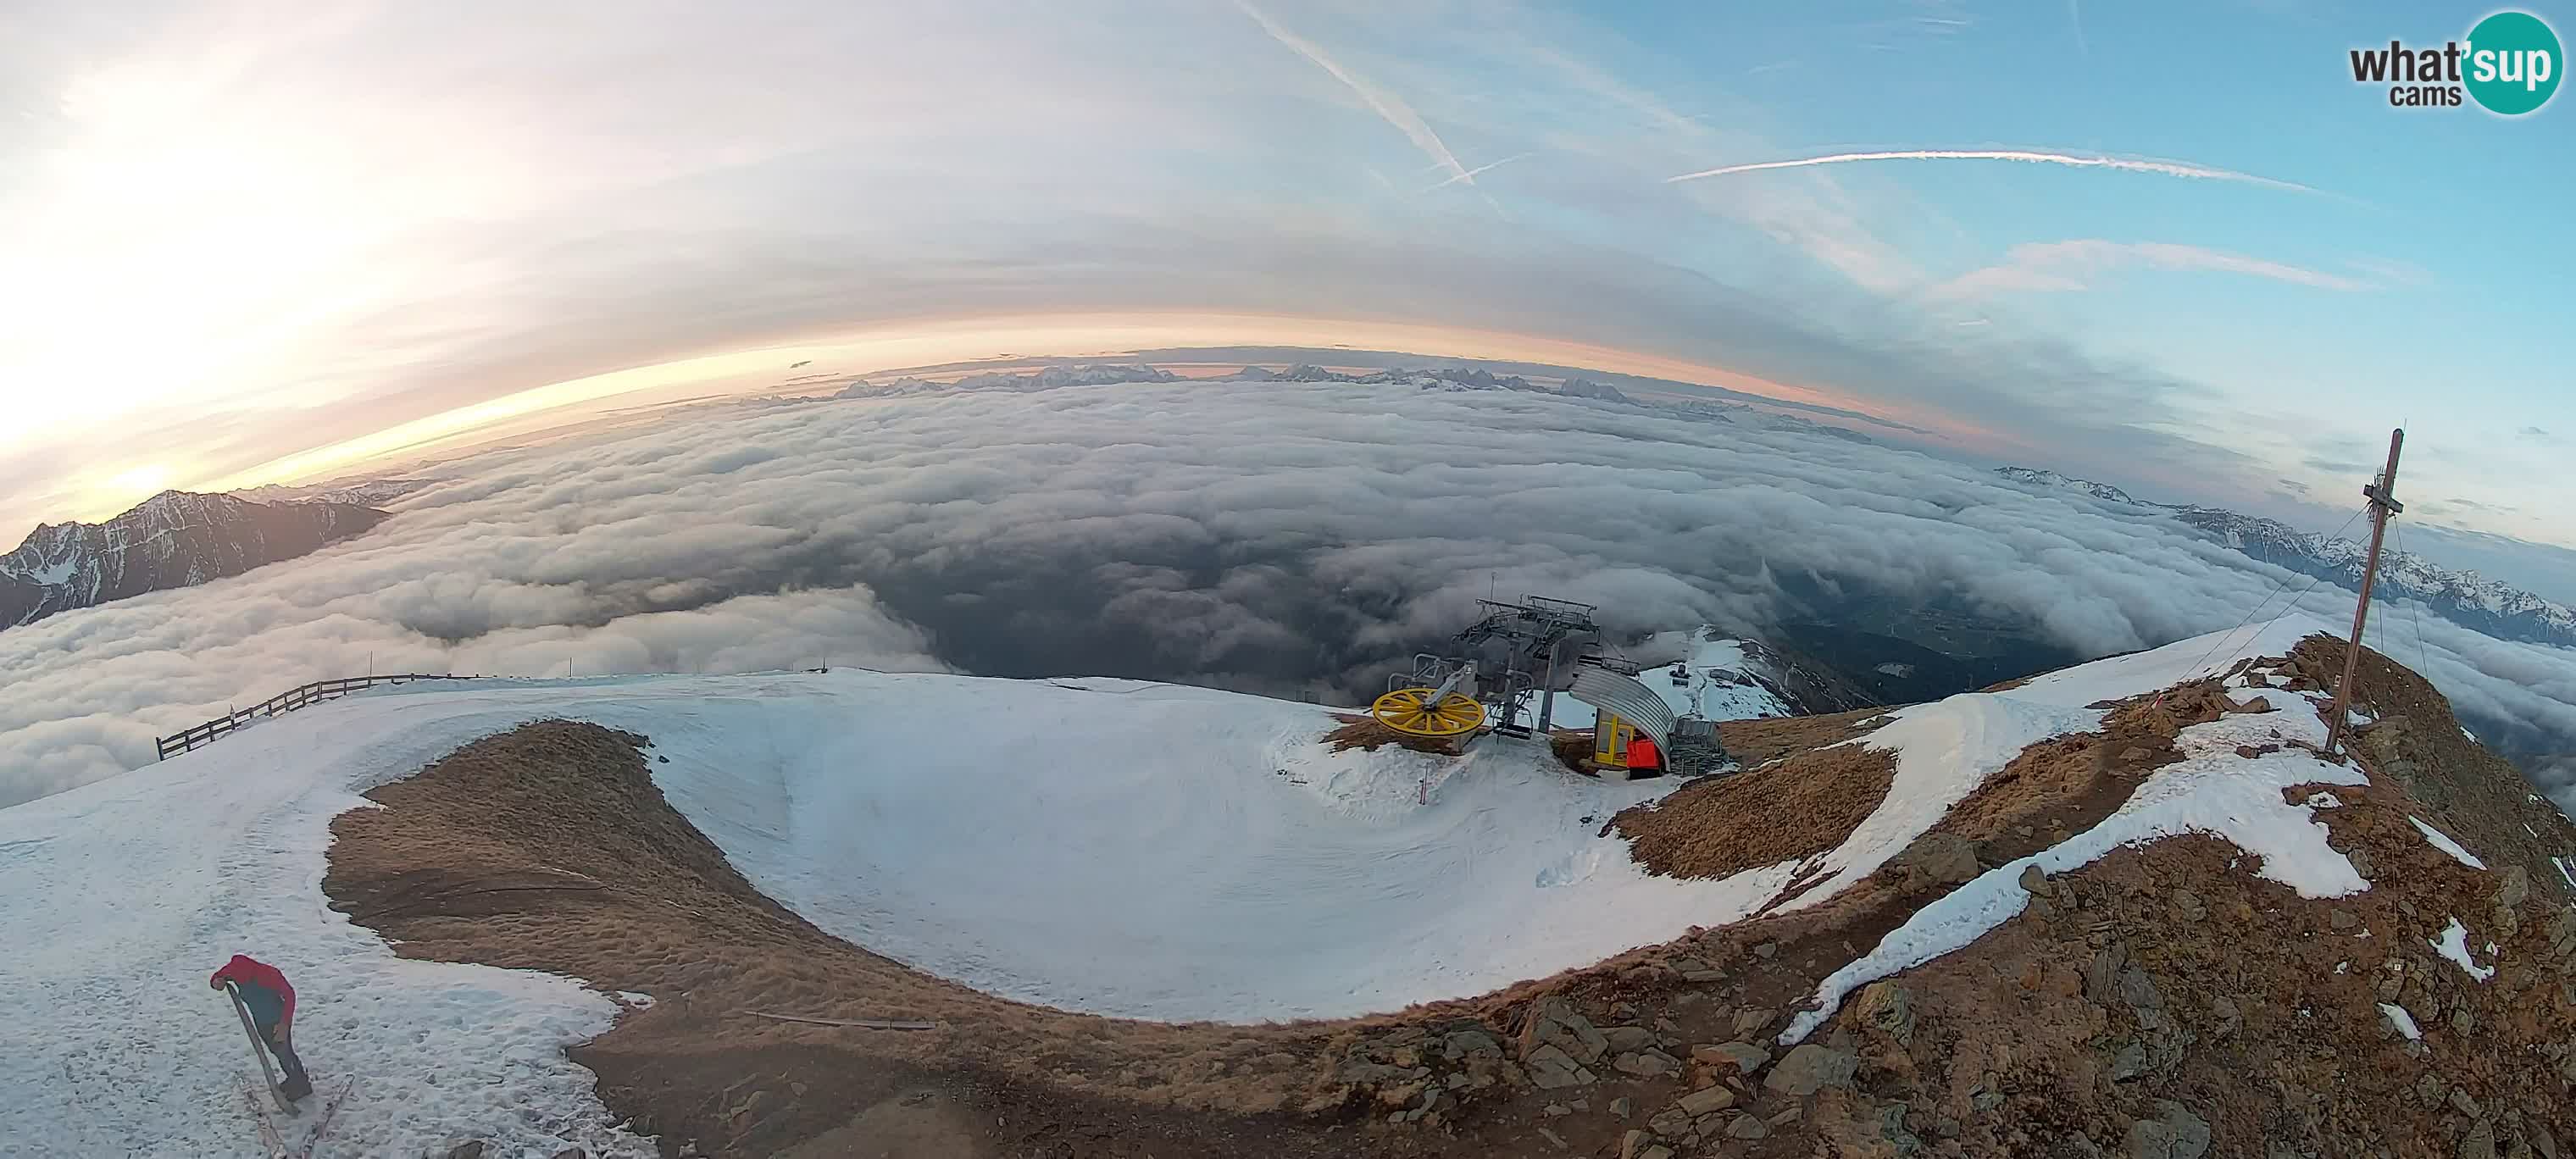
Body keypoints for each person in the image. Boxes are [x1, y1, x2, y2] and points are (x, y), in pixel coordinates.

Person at [211, 953, 312, 1100]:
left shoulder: (269, 974)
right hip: (261, 1021)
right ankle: (293, 1078)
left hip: (277, 1020)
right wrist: (216, 982)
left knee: (284, 1053)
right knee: (277, 1052)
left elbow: (290, 995)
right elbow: (218, 977)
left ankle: (302, 1085)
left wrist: (284, 1024)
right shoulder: (234, 969)